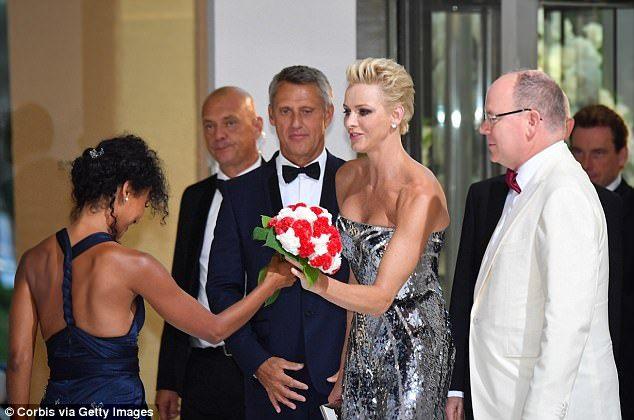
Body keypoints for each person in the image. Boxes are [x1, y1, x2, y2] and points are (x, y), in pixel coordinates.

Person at [7, 135, 294, 414]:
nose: (138, 217)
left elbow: (19, 360)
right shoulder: (132, 265)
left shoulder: (32, 261)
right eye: (143, 204)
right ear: (127, 190)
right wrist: (269, 284)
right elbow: (214, 329)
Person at [288, 58, 454, 419]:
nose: (349, 122)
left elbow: (380, 297)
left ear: (396, 115)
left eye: (363, 111)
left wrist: (314, 282)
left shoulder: (419, 192)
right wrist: (346, 358)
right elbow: (356, 276)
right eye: (348, 111)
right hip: (364, 337)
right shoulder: (347, 176)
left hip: (415, 346)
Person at [445, 104, 625, 420]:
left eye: (493, 117)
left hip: (549, 399)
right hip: (501, 392)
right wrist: (457, 385)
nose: (484, 128)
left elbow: (567, 322)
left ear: (530, 122)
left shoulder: (564, 193)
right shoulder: (504, 192)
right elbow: (468, 295)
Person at [207, 66, 349, 419]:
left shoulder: (356, 184)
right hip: (270, 386)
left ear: (328, 115)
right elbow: (222, 290)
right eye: (285, 111)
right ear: (270, 117)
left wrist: (355, 362)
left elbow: (372, 280)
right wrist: (256, 362)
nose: (296, 123)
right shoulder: (239, 194)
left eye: (307, 111)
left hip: (344, 382)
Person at [156, 86, 264, 420]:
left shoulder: (278, 192)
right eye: (209, 125)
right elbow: (180, 286)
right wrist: (169, 378)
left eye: (230, 123)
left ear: (258, 126)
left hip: (261, 368)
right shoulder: (195, 197)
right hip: (200, 369)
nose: (218, 134)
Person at [570, 103, 633, 419]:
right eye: (578, 152)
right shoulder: (561, 204)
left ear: (622, 157)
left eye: (598, 153)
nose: (585, 163)